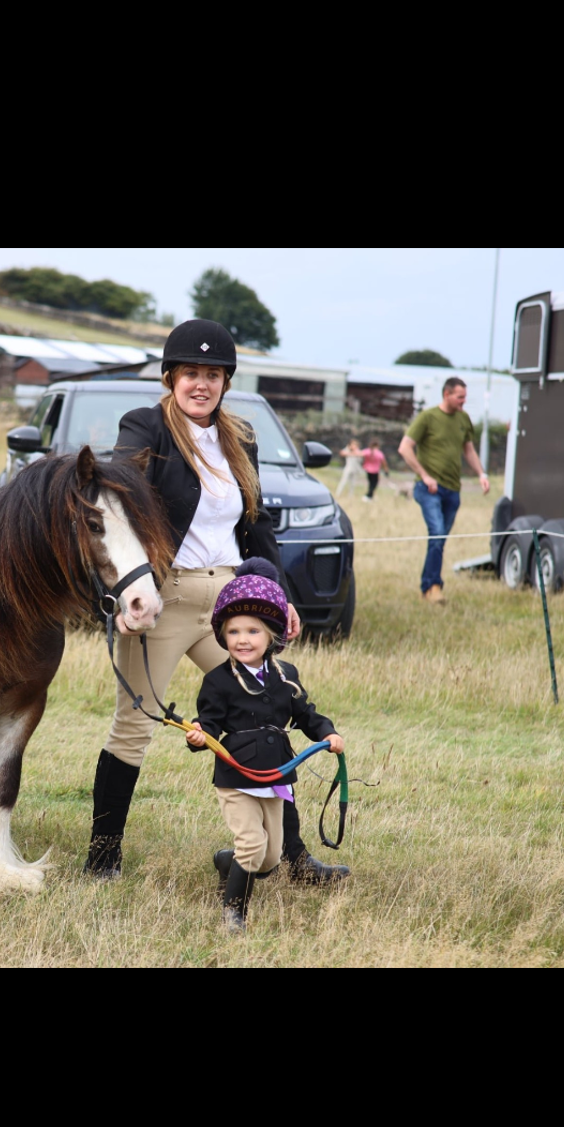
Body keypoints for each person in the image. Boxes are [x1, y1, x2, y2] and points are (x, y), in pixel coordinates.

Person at [85, 318, 348, 887]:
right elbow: (121, 497)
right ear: (170, 377)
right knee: (135, 725)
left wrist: (276, 594)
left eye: (212, 374)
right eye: (190, 374)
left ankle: (294, 857)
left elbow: (257, 522)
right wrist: (127, 597)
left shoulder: (241, 437)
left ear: (225, 380)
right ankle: (102, 856)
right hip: (165, 597)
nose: (200, 384)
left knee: (270, 710)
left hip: (229, 602)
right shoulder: (146, 428)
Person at [186, 564, 344, 931]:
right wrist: (198, 734)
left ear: (272, 634)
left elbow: (306, 715)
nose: (243, 639)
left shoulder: (286, 675)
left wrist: (328, 734)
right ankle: (234, 913)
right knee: (253, 845)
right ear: (223, 636)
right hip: (237, 776)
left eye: (253, 631)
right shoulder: (217, 681)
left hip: (276, 775)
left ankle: (228, 862)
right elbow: (208, 722)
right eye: (234, 631)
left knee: (270, 859)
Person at [398, 377, 489, 602]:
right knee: (437, 534)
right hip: (429, 489)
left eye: (465, 397)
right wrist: (426, 476)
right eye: (460, 397)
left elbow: (468, 450)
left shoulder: (463, 419)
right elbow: (405, 447)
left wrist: (481, 474)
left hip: (453, 490)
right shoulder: (428, 417)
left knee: (439, 540)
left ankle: (427, 586)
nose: (463, 401)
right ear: (446, 394)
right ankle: (433, 587)